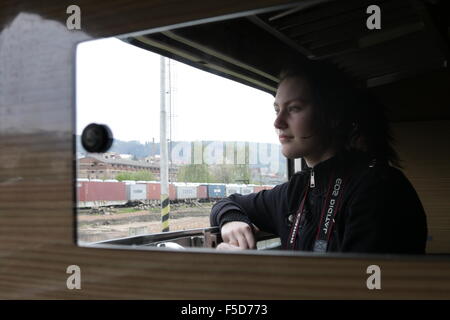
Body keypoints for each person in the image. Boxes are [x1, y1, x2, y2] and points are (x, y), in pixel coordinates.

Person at [210, 61, 428, 254]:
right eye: (277, 109)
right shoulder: (296, 191)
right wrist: (231, 220)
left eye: (294, 108)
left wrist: (248, 274)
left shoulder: (379, 189)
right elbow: (228, 203)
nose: (277, 123)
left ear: (333, 116)